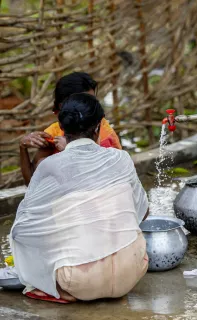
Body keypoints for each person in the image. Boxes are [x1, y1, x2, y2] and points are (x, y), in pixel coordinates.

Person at [11, 93, 149, 303]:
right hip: (134, 270)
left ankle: (63, 290)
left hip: (77, 282)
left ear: (62, 128)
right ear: (98, 128)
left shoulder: (50, 165)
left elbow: (23, 228)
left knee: (39, 228)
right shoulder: (121, 158)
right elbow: (144, 211)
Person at [19, 72, 122, 185]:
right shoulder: (54, 132)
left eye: (92, 101)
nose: (90, 107)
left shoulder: (104, 135)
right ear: (62, 105)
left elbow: (102, 182)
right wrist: (23, 148)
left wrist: (69, 151)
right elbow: (32, 183)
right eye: (83, 102)